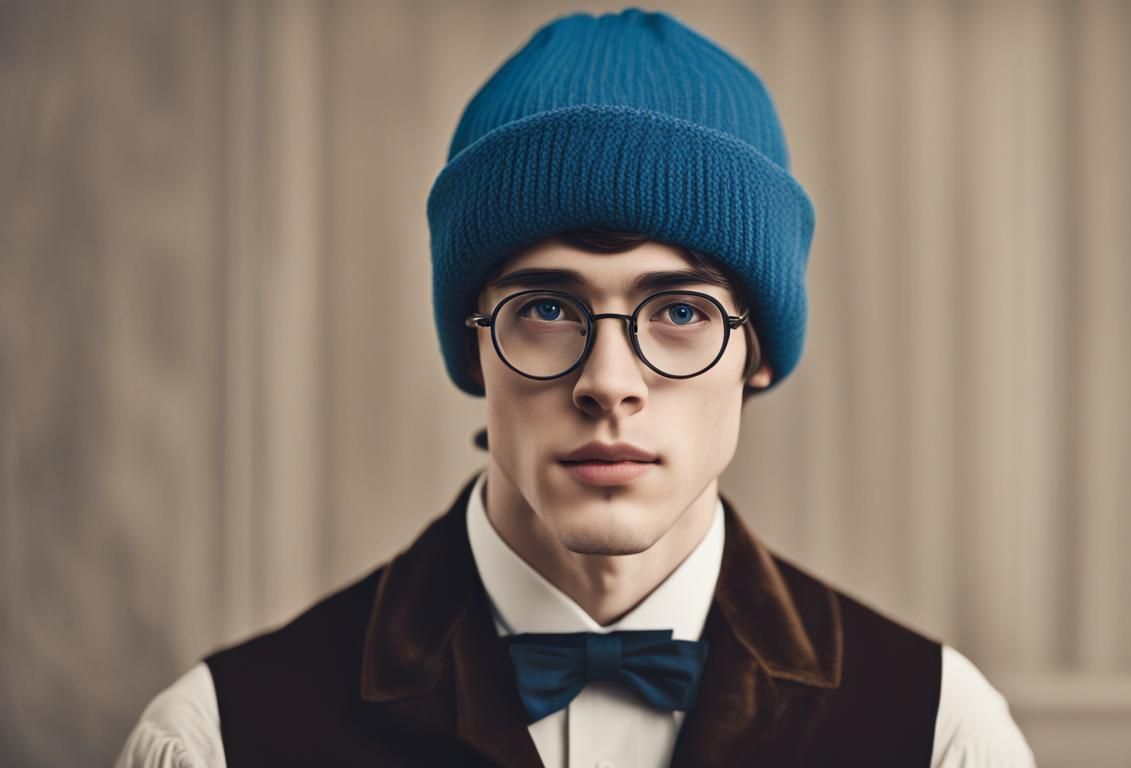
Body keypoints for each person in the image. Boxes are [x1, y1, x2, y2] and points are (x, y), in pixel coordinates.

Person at [118, 8, 1035, 767]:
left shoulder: (941, 735)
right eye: (548, 309)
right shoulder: (216, 741)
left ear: (758, 351)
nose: (608, 384)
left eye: (679, 311)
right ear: (473, 347)